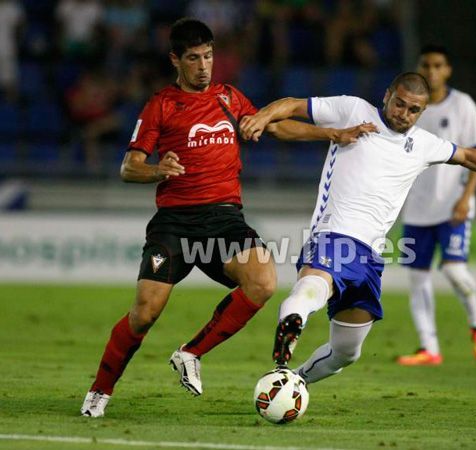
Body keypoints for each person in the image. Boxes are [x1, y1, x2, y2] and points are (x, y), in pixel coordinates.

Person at [81, 18, 376, 418]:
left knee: (263, 281)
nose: (204, 66)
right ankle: (100, 391)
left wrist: (332, 134)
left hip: (223, 219)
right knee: (145, 312)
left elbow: (277, 127)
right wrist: (157, 170)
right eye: (193, 58)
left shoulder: (229, 98)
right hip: (175, 224)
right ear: (175, 60)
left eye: (208, 56)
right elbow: (129, 167)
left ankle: (190, 353)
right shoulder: (161, 105)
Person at [239, 72, 476, 385]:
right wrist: (263, 116)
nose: (404, 114)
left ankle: (293, 381)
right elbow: (294, 105)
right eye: (399, 104)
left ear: (422, 111)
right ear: (387, 96)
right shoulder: (354, 110)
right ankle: (293, 318)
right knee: (315, 285)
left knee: (346, 352)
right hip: (333, 233)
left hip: (370, 257)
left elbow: (471, 157)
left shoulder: (424, 144)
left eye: (413, 110)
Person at [397, 45, 476, 366]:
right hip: (417, 209)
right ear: (419, 67)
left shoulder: (463, 105)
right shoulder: (409, 108)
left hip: (452, 206)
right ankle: (429, 348)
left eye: (438, 65)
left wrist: (466, 198)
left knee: (453, 270)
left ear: (447, 70)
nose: (432, 71)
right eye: (427, 65)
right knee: (417, 279)